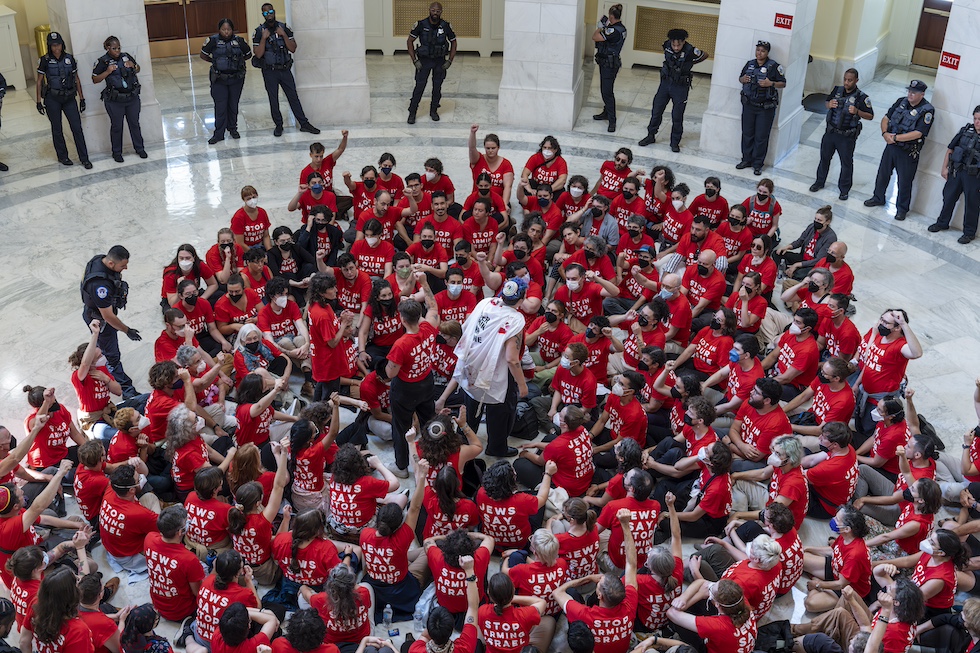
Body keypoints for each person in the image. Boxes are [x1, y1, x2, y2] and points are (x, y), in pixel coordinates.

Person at [454, 279, 529, 458]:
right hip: (497, 371)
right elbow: (512, 359)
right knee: (500, 413)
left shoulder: (485, 302)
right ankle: (496, 447)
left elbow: (467, 326)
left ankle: (462, 442)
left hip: (472, 363)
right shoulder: (516, 319)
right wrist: (522, 384)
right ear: (522, 298)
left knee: (471, 405)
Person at [553, 508, 638, 653]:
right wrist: (625, 525)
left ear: (600, 595)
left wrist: (586, 578)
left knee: (572, 592)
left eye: (598, 585)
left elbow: (557, 592)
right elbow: (631, 564)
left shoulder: (584, 614)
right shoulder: (630, 604)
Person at [384, 272, 439, 476]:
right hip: (426, 381)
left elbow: (391, 373)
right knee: (429, 422)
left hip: (405, 389)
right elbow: (433, 306)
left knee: (401, 427)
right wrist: (424, 282)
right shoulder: (429, 326)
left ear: (402, 319)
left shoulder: (401, 344)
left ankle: (401, 467)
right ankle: (431, 459)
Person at [864, 80, 935, 220]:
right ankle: (878, 197)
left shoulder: (927, 110)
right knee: (883, 174)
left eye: (914, 92)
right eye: (909, 91)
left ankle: (902, 209)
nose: (910, 94)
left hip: (908, 152)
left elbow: (919, 133)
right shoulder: (901, 102)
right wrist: (885, 133)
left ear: (922, 94)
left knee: (904, 181)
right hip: (891, 146)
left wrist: (896, 138)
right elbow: (886, 118)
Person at [252, 3, 319, 137]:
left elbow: (293, 48)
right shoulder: (259, 31)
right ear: (263, 15)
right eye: (265, 13)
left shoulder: (284, 27)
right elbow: (258, 54)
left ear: (274, 11)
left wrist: (283, 35)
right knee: (273, 99)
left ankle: (304, 124)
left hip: (284, 69)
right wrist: (264, 39)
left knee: (293, 97)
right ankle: (278, 125)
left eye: (270, 11)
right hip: (269, 71)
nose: (269, 14)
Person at [81, 245, 139, 398]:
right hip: (101, 321)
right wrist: (127, 330)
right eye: (123, 265)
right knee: (112, 356)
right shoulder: (100, 285)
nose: (125, 268)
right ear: (111, 264)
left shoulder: (99, 259)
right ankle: (127, 391)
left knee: (105, 350)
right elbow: (108, 316)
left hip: (96, 313)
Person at [810, 68, 874, 200]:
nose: (846, 82)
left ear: (856, 81)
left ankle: (844, 190)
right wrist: (829, 105)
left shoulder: (862, 97)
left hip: (846, 136)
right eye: (845, 79)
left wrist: (857, 111)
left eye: (850, 80)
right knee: (824, 158)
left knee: (846, 163)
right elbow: (826, 102)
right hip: (831, 132)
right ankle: (819, 182)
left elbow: (870, 115)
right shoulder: (836, 90)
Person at [640, 28, 708, 151]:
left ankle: (675, 142)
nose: (676, 47)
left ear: (683, 42)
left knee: (677, 116)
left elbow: (705, 55)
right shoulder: (666, 45)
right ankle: (651, 135)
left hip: (680, 87)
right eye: (674, 44)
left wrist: (691, 62)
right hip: (665, 83)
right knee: (656, 110)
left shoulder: (690, 50)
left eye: (679, 45)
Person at [35, 31, 91, 169]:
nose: (56, 48)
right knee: (57, 128)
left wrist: (82, 98)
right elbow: (39, 81)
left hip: (69, 97)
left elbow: (76, 78)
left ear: (62, 44)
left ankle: (84, 158)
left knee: (77, 128)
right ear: (49, 46)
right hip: (52, 98)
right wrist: (38, 102)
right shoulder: (45, 60)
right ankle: (63, 157)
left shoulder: (70, 59)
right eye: (53, 45)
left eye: (58, 44)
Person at [143, 505, 206, 623]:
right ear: (180, 532)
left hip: (159, 604)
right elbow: (198, 593)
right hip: (182, 612)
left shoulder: (149, 539)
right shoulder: (189, 559)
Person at [928, 104, 980, 244]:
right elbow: (950, 149)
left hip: (974, 177)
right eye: (975, 118)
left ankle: (969, 233)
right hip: (957, 172)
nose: (977, 122)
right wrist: (944, 168)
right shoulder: (965, 130)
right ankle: (942, 223)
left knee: (972, 205)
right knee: (948, 198)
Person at [736, 41, 786, 176]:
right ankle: (746, 159)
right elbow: (740, 78)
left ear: (767, 53)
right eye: (758, 50)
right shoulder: (750, 64)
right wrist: (743, 79)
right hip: (749, 105)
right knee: (747, 134)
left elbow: (783, 83)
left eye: (762, 51)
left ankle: (757, 164)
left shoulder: (774, 66)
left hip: (765, 108)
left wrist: (771, 83)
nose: (759, 53)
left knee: (761, 137)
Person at [92, 36, 145, 163]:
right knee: (117, 126)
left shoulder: (126, 56)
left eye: (119, 47)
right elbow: (95, 79)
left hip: (131, 97)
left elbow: (138, 69)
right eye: (114, 48)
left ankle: (139, 148)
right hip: (115, 100)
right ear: (107, 48)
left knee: (134, 124)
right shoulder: (103, 61)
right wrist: (108, 72)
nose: (117, 50)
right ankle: (117, 152)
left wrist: (134, 66)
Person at [201, 18, 252, 144]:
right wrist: (216, 62)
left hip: (236, 79)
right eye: (223, 29)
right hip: (219, 79)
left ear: (232, 30)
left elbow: (248, 54)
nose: (226, 32)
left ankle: (233, 129)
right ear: (219, 30)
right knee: (220, 106)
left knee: (233, 104)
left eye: (228, 29)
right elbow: (203, 55)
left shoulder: (239, 41)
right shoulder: (212, 41)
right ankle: (219, 134)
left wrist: (237, 63)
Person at [407, 2, 456, 123]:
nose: (435, 13)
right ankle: (412, 112)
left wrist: (450, 60)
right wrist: (415, 60)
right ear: (429, 10)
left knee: (437, 87)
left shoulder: (445, 26)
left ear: (441, 12)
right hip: (424, 61)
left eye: (438, 11)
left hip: (439, 61)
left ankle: (433, 110)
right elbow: (409, 41)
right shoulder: (420, 24)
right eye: (433, 10)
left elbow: (454, 42)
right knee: (419, 87)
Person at [479, 572, 549, 653]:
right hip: (520, 649)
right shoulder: (525, 614)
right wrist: (511, 597)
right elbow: (542, 602)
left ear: (489, 594)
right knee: (549, 621)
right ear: (513, 590)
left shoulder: (482, 611)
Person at [30, 567, 94, 653]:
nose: (79, 580)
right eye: (76, 582)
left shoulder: (36, 606)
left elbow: (24, 640)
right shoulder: (78, 630)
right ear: (72, 594)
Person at [591, 4, 627, 133]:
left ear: (611, 16)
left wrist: (600, 28)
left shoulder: (612, 30)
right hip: (610, 63)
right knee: (606, 90)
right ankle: (606, 113)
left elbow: (595, 37)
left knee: (607, 92)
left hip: (608, 65)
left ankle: (612, 120)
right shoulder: (621, 28)